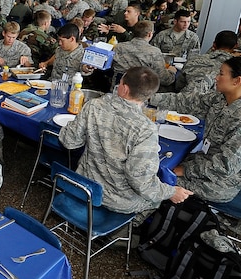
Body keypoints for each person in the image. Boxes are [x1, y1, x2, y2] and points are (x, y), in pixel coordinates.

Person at [59, 67, 193, 215]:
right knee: (158, 199)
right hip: (118, 200)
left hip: (85, 185)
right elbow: (141, 182)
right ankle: (127, 230)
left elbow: (68, 141)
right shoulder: (145, 128)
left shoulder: (94, 106)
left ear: (124, 88)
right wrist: (171, 192)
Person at [149, 57, 241, 203]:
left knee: (157, 180)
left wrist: (186, 170)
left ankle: (137, 221)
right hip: (201, 162)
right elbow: (186, 101)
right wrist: (146, 96)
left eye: (221, 74)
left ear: (236, 81)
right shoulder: (220, 99)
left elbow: (225, 166)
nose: (216, 77)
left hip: (218, 182)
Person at [112, 20, 176, 86]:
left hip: (117, 89)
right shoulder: (154, 52)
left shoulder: (118, 47)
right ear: (150, 34)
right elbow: (164, 80)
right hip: (139, 92)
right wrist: (172, 72)